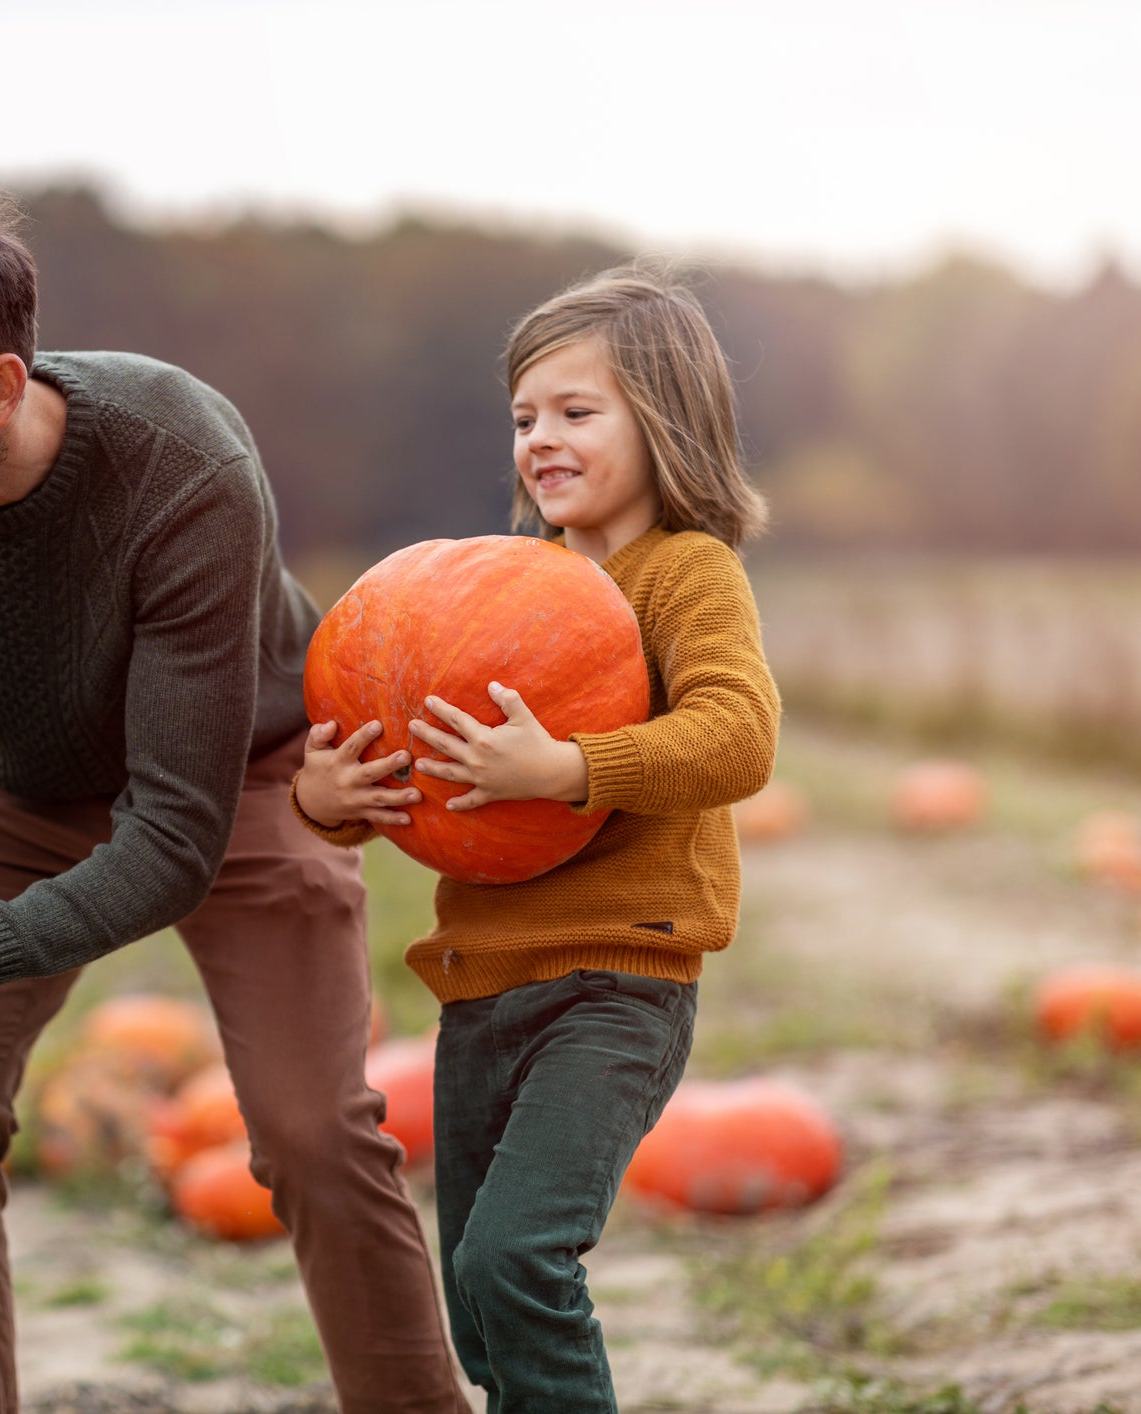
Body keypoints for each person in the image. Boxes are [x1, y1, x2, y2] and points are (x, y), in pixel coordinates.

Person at [0, 186, 468, 1414]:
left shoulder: (180, 467)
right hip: (15, 788)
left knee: (315, 1134)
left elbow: (175, 835)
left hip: (241, 780)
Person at [294, 264, 780, 1412]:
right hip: (485, 986)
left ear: (663, 421)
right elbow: (399, 773)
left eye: (575, 411)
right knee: (478, 1302)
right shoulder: (497, 597)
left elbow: (739, 736)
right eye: (523, 418)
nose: (541, 439)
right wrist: (326, 796)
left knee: (517, 1258)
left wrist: (570, 769)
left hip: (620, 977)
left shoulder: (686, 575)